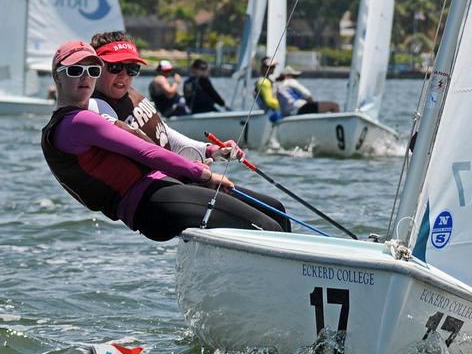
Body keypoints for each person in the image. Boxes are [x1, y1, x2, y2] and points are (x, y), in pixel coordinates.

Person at [42, 40, 291, 242]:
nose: (85, 78)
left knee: (276, 211)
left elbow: (160, 140)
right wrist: (203, 175)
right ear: (57, 77)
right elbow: (146, 152)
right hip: (149, 203)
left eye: (92, 71)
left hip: (166, 186)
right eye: (75, 71)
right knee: (267, 227)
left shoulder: (96, 113)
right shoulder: (78, 121)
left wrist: (210, 152)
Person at [89, 31, 235, 165]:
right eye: (115, 67)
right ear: (96, 67)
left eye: (132, 69)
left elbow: (164, 135)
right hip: (156, 183)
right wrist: (190, 170)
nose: (124, 75)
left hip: (176, 175)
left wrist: (211, 150)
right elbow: (143, 152)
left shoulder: (129, 93)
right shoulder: (95, 106)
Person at [254, 56, 283, 122]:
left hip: (270, 112)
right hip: (271, 114)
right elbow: (269, 101)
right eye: (271, 67)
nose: (274, 68)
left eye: (274, 66)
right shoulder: (264, 82)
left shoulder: (267, 80)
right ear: (264, 68)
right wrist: (283, 105)